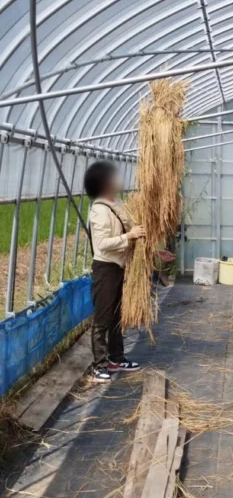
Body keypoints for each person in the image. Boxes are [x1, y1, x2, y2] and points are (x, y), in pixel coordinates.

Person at [84, 161, 145, 382]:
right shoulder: (99, 210)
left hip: (119, 267)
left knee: (117, 316)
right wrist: (129, 237)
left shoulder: (117, 204)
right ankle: (98, 365)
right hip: (105, 269)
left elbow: (134, 228)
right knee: (103, 318)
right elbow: (101, 244)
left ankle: (116, 358)